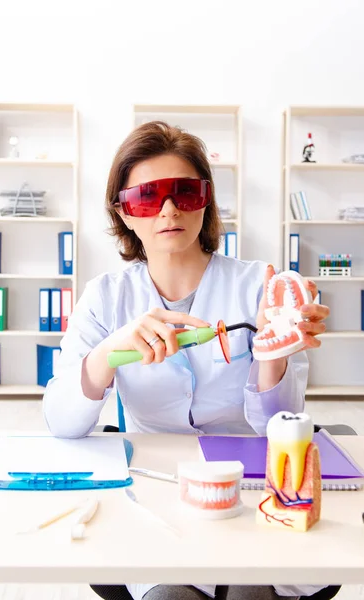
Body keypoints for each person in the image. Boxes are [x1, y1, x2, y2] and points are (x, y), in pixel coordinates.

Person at [43, 121, 331, 600]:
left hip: (252, 484)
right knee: (168, 594)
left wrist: (272, 353)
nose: (169, 210)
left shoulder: (260, 286)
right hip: (157, 489)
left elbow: (276, 425)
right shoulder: (105, 298)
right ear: (123, 213)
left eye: (184, 192)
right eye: (146, 198)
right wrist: (109, 353)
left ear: (207, 199)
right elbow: (61, 422)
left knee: (251, 591)